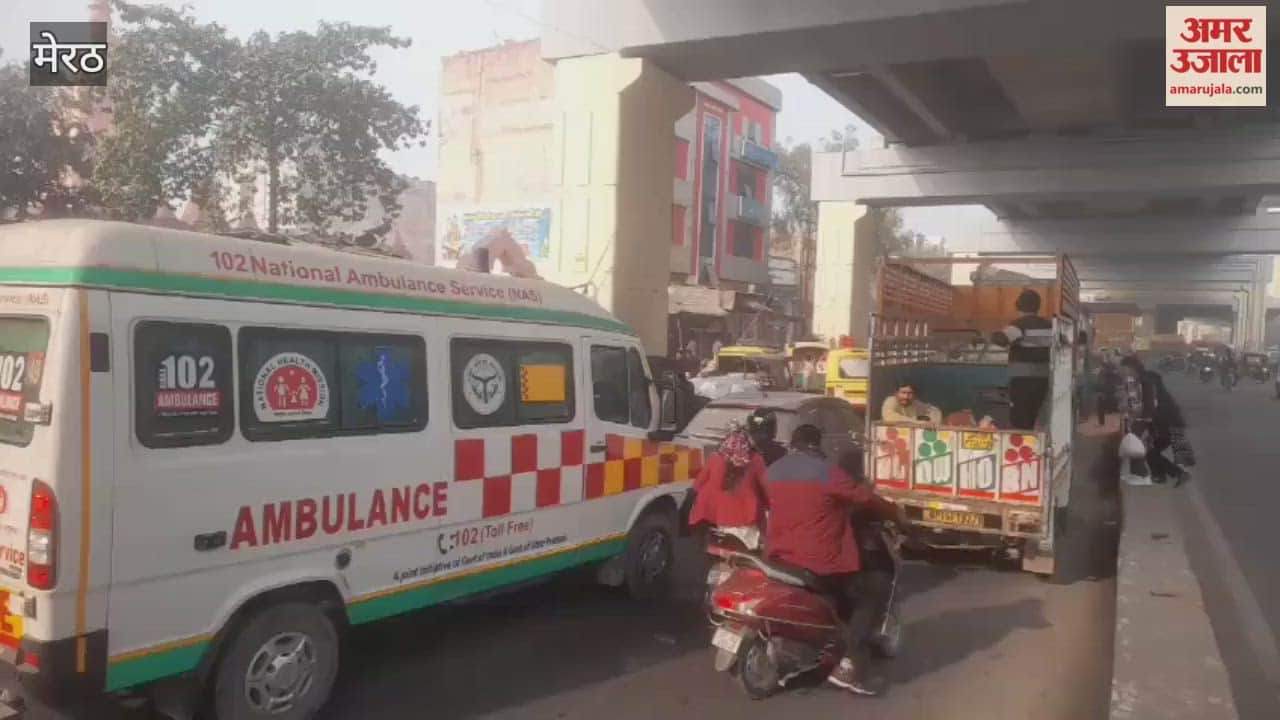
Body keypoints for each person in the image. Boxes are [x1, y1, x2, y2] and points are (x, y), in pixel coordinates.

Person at [763, 424, 899, 696]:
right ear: (817, 444)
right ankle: (850, 665)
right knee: (873, 591)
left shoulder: (773, 470)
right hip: (820, 560)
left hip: (778, 555)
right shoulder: (827, 472)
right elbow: (863, 497)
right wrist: (894, 511)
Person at [687, 427, 768, 550]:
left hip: (718, 518)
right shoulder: (756, 460)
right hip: (745, 520)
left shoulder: (715, 457)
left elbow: (697, 485)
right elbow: (767, 489)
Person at [1120, 356, 1192, 486]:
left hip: (1167, 422)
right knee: (1150, 450)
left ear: (1132, 368)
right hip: (1167, 421)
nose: (1123, 372)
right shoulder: (1145, 378)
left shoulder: (1145, 381)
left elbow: (1149, 406)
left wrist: (1141, 424)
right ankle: (1161, 476)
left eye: (1125, 369)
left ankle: (1177, 474)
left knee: (1148, 450)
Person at [992, 289, 1053, 429]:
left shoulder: (1019, 325)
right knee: (1033, 415)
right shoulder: (1049, 325)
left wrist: (993, 334)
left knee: (1019, 420)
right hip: (1043, 379)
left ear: (1018, 305)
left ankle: (1023, 444)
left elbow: (1001, 339)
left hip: (1022, 380)